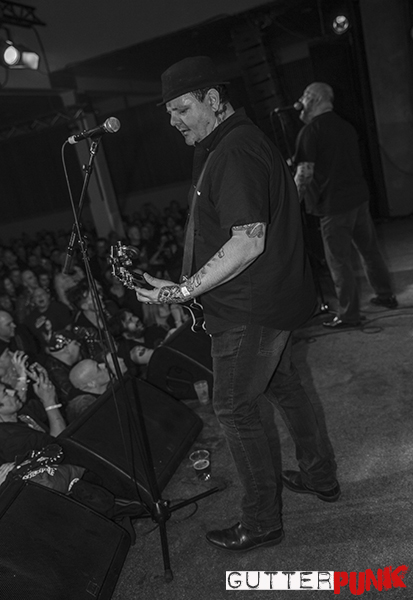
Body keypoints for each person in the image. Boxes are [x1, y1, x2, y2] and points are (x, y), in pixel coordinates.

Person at [134, 56, 339, 552]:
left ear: (213, 98)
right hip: (270, 300)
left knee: (232, 407)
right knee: (284, 385)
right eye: (168, 112)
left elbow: (248, 241)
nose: (173, 121)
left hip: (250, 310)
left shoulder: (234, 150)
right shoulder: (234, 143)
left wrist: (180, 291)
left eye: (182, 108)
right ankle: (319, 475)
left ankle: (261, 521)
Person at [293, 82, 397, 329]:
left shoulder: (310, 132)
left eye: (305, 96)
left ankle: (349, 315)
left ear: (316, 98)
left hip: (333, 206)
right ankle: (386, 295)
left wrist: (292, 202)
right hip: (358, 200)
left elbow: (305, 173)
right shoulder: (346, 126)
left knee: (339, 261)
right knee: (369, 251)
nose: (301, 100)